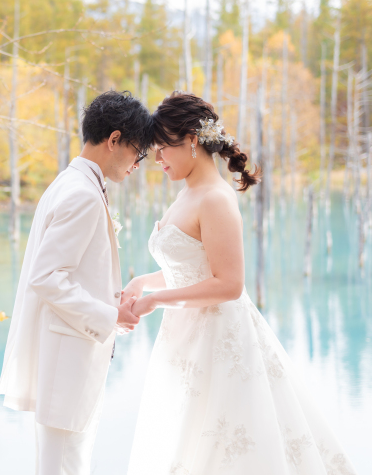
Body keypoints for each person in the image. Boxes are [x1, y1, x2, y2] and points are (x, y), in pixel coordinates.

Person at [123, 92, 357, 475]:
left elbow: (229, 283)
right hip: (185, 336)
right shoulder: (186, 193)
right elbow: (195, 268)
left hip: (218, 339)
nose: (158, 159)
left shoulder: (215, 199)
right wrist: (142, 282)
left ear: (192, 140)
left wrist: (157, 300)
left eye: (164, 148)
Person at [0, 90, 153, 475]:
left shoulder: (72, 183)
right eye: (138, 152)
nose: (137, 164)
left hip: (69, 361)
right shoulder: (82, 193)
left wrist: (110, 309)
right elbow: (47, 277)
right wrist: (109, 315)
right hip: (67, 365)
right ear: (114, 139)